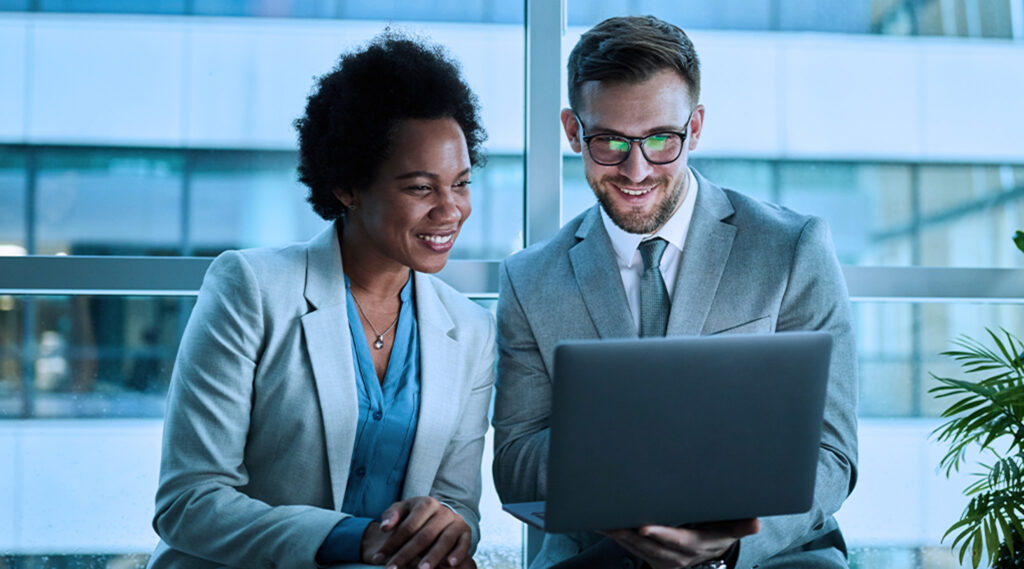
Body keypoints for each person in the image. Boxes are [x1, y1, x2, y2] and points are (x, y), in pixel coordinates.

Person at [492, 15, 858, 569]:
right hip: (601, 551)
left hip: (769, 553)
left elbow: (833, 452)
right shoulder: (530, 279)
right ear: (572, 131)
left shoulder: (791, 249)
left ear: (696, 127)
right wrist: (632, 485)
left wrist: (731, 542)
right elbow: (515, 465)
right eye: (609, 141)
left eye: (662, 139)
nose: (636, 170)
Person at [149, 32, 494, 569]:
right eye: (421, 188)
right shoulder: (251, 288)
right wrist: (352, 538)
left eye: (462, 183)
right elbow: (189, 502)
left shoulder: (471, 329)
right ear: (347, 186)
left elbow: (459, 509)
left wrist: (446, 528)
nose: (450, 210)